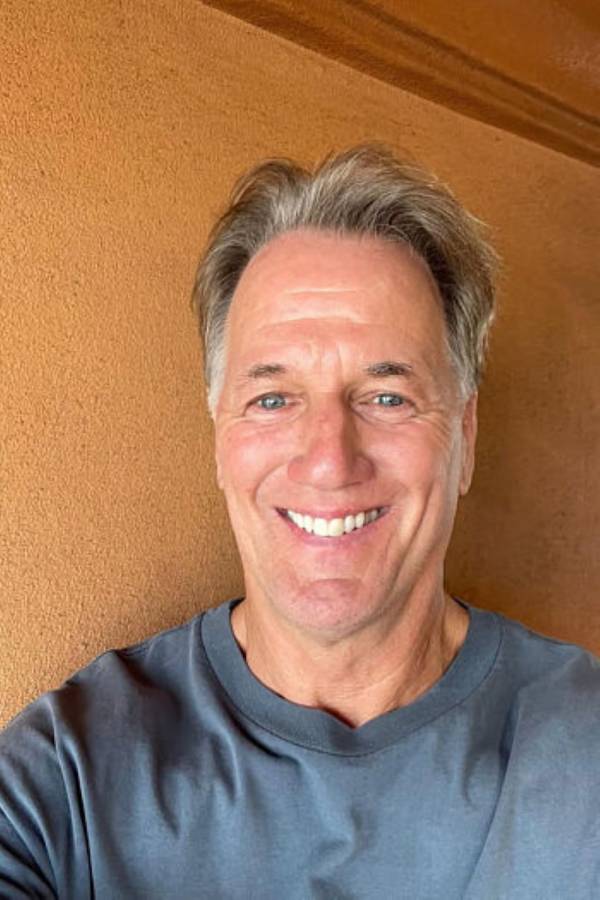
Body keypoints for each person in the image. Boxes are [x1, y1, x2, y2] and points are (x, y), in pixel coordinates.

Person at [1, 146, 598, 899]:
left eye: (387, 397)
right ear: (219, 439)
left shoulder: (583, 749)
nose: (328, 461)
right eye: (273, 399)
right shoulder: (67, 779)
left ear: (465, 438)